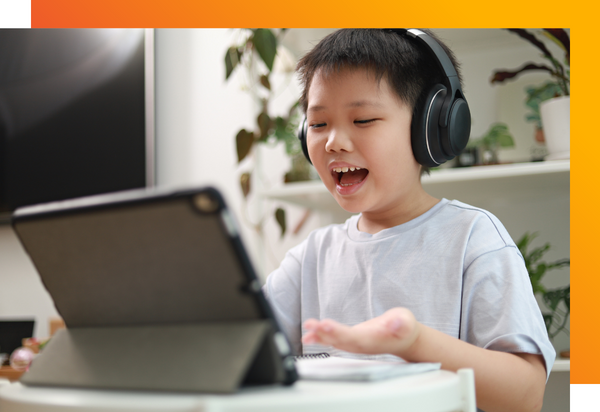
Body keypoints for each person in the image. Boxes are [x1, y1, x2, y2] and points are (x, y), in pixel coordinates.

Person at [262, 29, 554, 412]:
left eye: (363, 119)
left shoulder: (473, 239)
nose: (333, 142)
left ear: (430, 129)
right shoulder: (310, 258)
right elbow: (244, 350)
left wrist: (414, 342)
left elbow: (525, 395)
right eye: (318, 125)